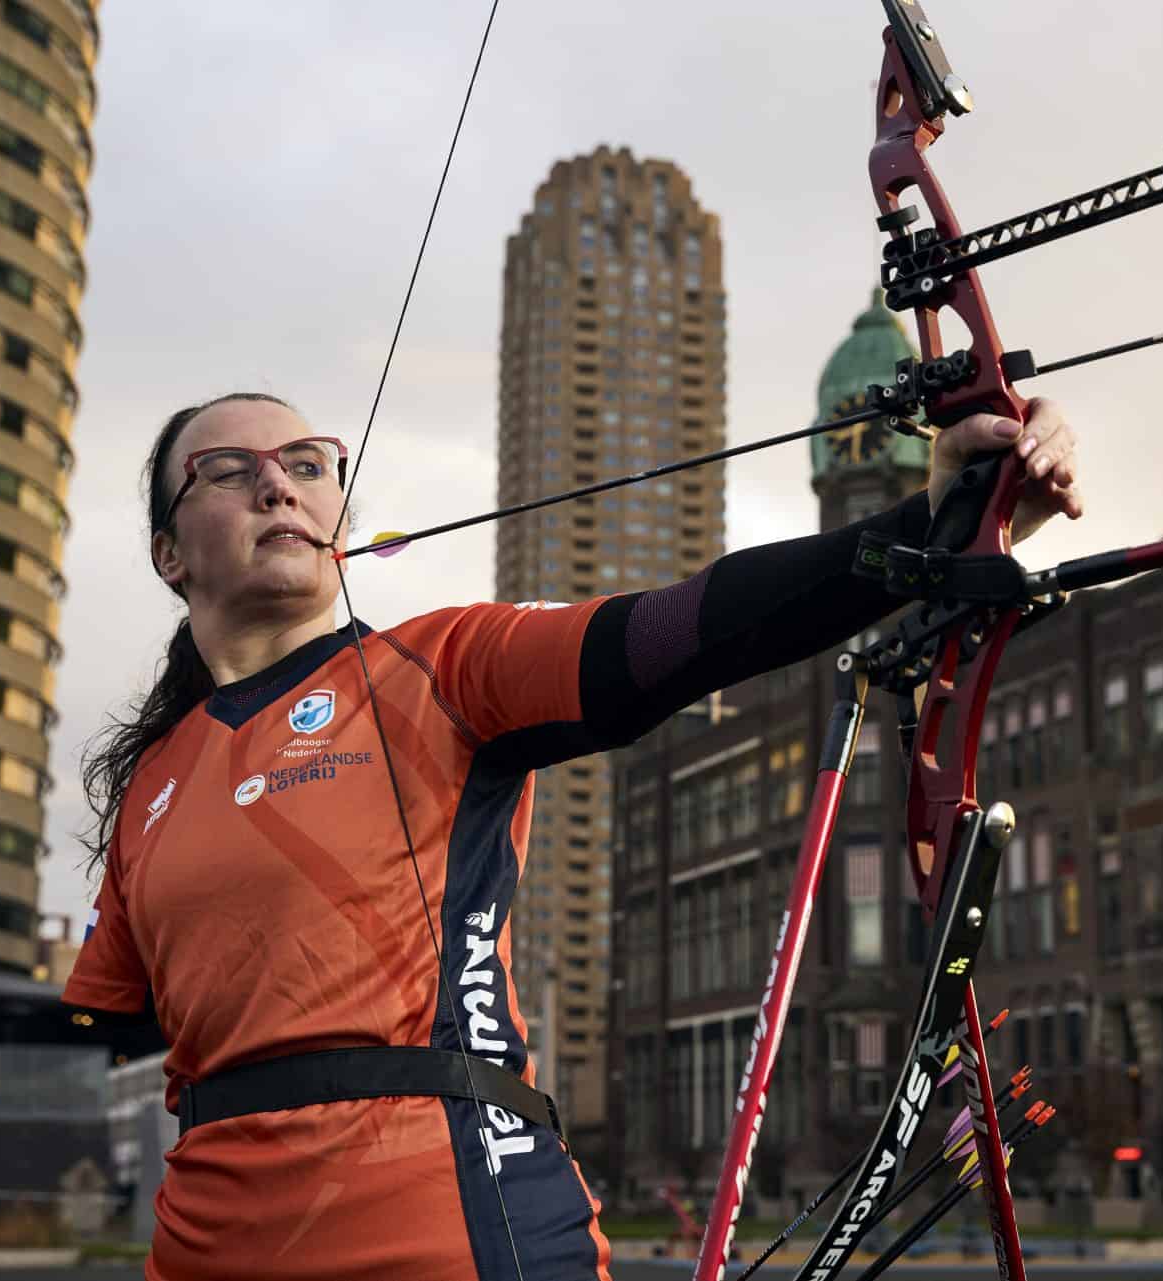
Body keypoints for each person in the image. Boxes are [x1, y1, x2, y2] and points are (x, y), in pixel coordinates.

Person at [62, 390, 1082, 1280]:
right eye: (228, 471)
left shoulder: (445, 665)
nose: (278, 486)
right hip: (203, 1246)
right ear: (167, 551)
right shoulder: (151, 785)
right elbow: (127, 1028)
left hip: (449, 1226)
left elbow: (689, 626)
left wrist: (933, 528)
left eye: (306, 464)